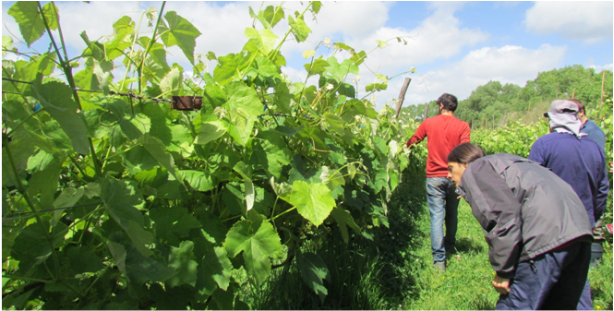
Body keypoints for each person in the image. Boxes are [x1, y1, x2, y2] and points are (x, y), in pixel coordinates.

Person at [447, 143, 593, 311]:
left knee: (515, 305)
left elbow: (503, 218)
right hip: (579, 231)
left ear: (464, 164)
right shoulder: (509, 161)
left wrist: (503, 271)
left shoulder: (476, 169)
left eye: (451, 168)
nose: (448, 175)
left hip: (545, 236)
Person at [528, 99, 609, 311]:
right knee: (578, 286)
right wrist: (591, 218)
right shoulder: (594, 148)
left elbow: (529, 186)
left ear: (553, 119)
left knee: (541, 287)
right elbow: (602, 191)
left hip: (551, 226)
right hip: (584, 227)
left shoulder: (544, 144)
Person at [405, 93, 470, 272]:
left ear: (441, 105)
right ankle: (450, 245)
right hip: (454, 176)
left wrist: (402, 149)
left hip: (434, 176)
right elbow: (466, 151)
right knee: (452, 213)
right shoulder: (463, 126)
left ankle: (439, 261)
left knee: (436, 216)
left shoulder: (429, 123)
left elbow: (413, 140)